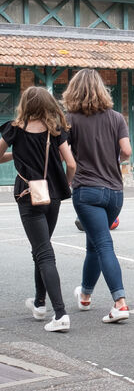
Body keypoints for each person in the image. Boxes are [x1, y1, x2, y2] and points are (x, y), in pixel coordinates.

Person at [0, 87, 77, 332]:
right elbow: (71, 164)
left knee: (43, 252)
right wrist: (65, 183)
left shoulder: (14, 129)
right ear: (48, 104)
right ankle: (39, 303)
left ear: (25, 104)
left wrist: (15, 154)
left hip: (28, 195)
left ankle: (60, 314)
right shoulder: (56, 130)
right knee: (41, 247)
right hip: (51, 194)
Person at [63, 69, 133, 324]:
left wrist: (69, 177)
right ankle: (85, 295)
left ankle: (120, 302)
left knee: (102, 244)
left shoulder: (70, 120)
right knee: (94, 244)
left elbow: (64, 155)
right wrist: (114, 160)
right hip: (115, 192)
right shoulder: (116, 117)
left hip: (87, 190)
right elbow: (127, 151)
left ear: (74, 90)